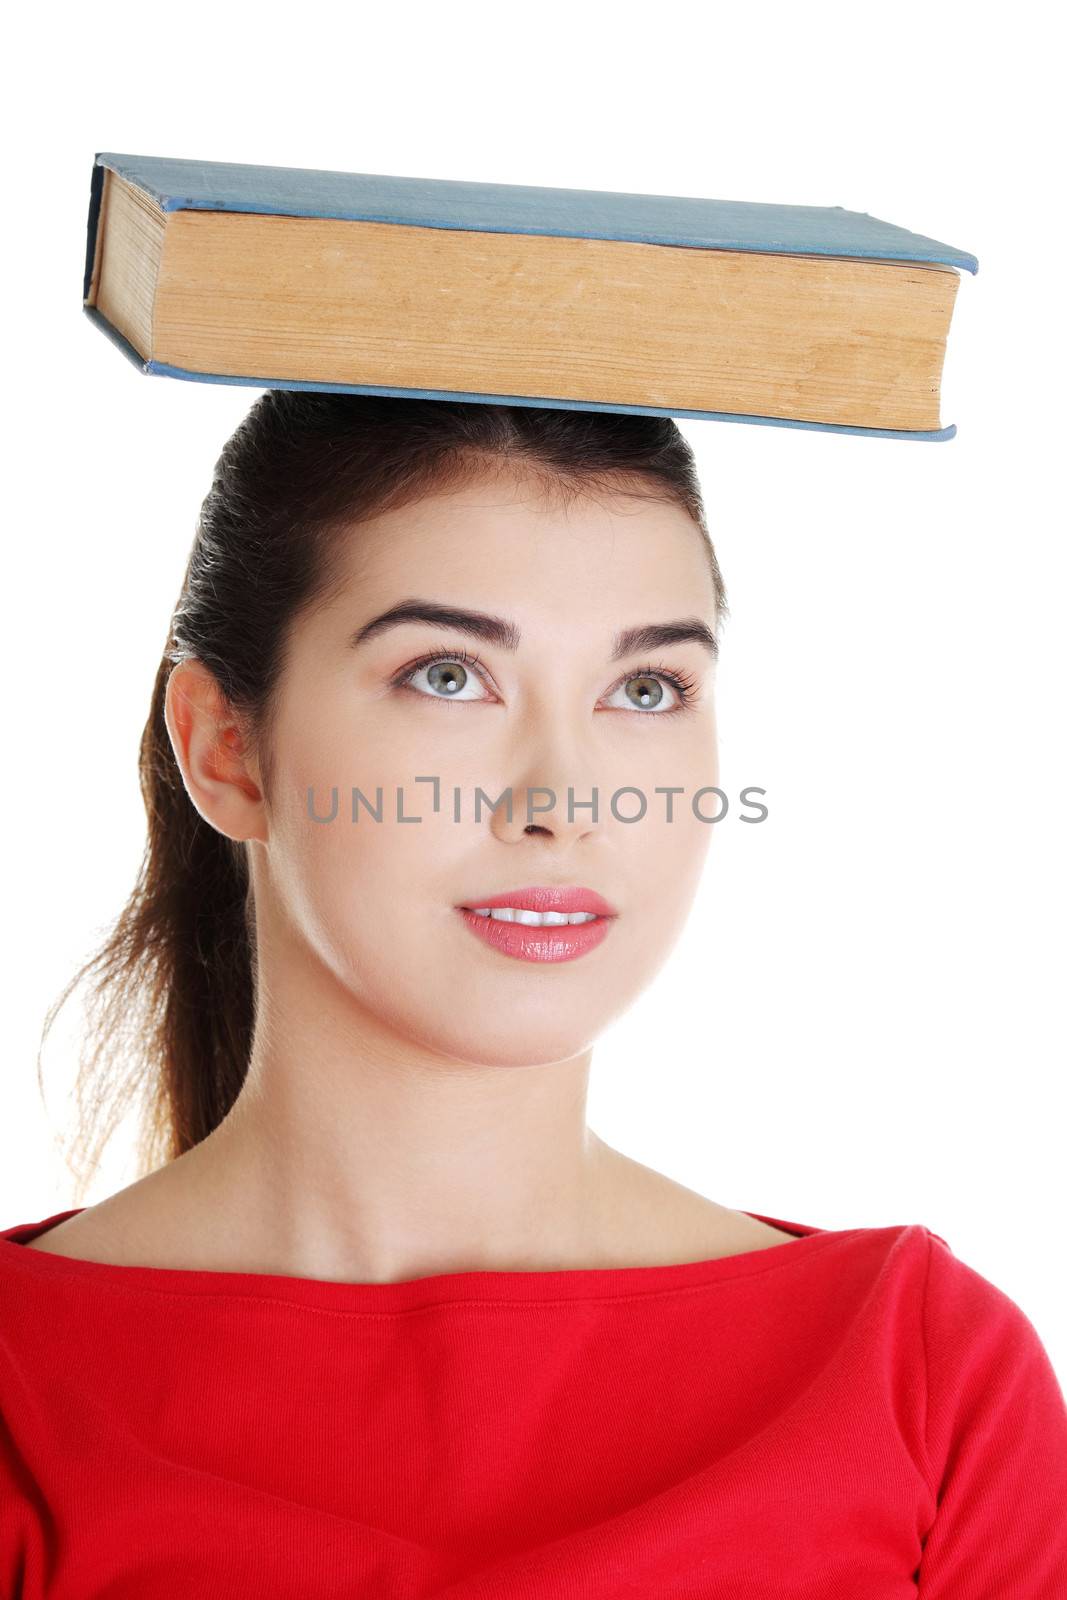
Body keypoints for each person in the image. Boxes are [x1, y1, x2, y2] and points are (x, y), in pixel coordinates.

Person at [2, 393, 1065, 1596]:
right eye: (448, 674)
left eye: (648, 688)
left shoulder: (914, 1375)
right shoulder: (21, 1390)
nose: (566, 799)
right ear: (224, 748)